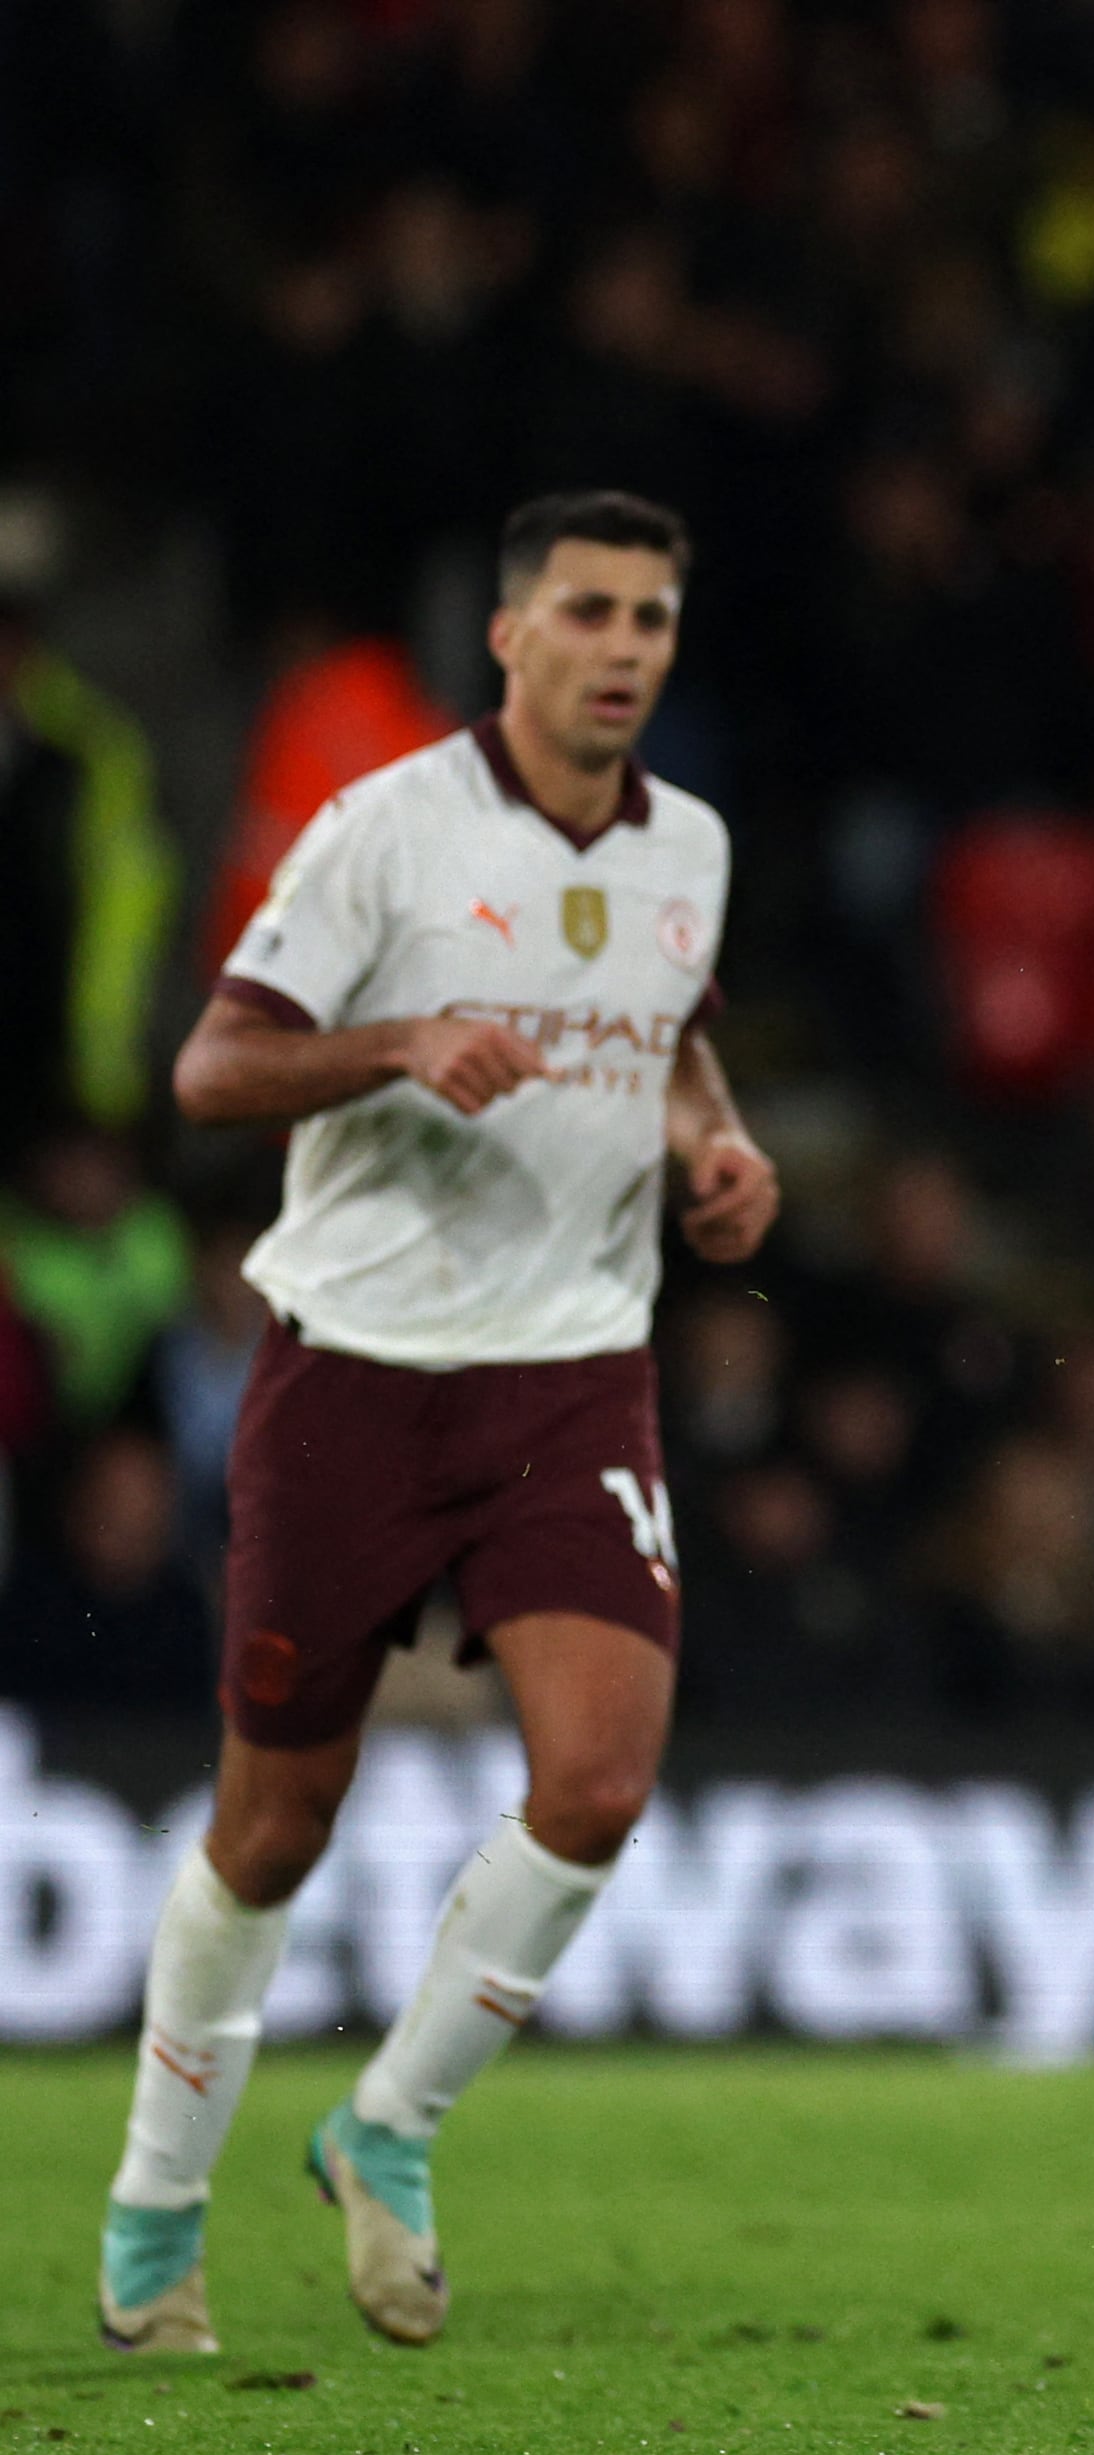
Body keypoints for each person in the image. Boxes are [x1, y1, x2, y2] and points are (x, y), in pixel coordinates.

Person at [95, 490, 778, 2356]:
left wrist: (714, 1141)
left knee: (601, 1779)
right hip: (357, 1376)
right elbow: (212, 1065)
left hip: (574, 1372)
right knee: (274, 1823)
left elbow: (670, 1028)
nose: (624, 647)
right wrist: (398, 1042)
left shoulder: (692, 845)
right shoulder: (384, 829)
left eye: (651, 616)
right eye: (589, 611)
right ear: (509, 633)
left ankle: (385, 2123)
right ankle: (157, 2196)